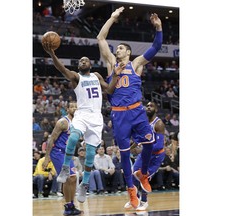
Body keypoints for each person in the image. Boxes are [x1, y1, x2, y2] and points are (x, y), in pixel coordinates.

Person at [97, 7, 163, 209]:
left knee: (150, 142)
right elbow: (100, 38)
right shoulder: (110, 64)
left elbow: (156, 47)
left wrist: (159, 28)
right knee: (125, 155)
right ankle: (131, 191)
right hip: (119, 115)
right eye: (116, 49)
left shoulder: (136, 64)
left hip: (137, 112)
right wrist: (112, 18)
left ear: (128, 52)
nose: (117, 50)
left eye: (121, 49)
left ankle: (143, 174)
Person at [42, 41, 123, 204]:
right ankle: (65, 167)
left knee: (91, 154)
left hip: (96, 118)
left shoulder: (97, 76)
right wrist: (52, 54)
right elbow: (62, 69)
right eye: (80, 61)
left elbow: (109, 90)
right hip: (82, 114)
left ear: (91, 64)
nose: (83, 61)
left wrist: (115, 76)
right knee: (73, 137)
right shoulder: (76, 77)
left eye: (85, 60)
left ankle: (85, 185)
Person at [42, 101, 81, 215]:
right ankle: (68, 206)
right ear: (67, 109)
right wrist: (46, 157)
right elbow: (52, 139)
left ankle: (70, 205)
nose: (74, 109)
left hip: (67, 153)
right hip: (58, 152)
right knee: (71, 177)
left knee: (73, 179)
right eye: (72, 107)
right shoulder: (63, 122)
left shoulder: (79, 122)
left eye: (76, 107)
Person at [124, 101, 166, 210]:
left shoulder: (159, 124)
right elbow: (139, 139)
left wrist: (144, 148)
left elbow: (159, 145)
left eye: (151, 106)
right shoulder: (143, 122)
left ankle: (144, 201)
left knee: (144, 176)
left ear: (156, 109)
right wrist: (129, 148)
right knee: (134, 173)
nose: (148, 107)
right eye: (147, 106)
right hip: (145, 153)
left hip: (156, 156)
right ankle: (135, 198)